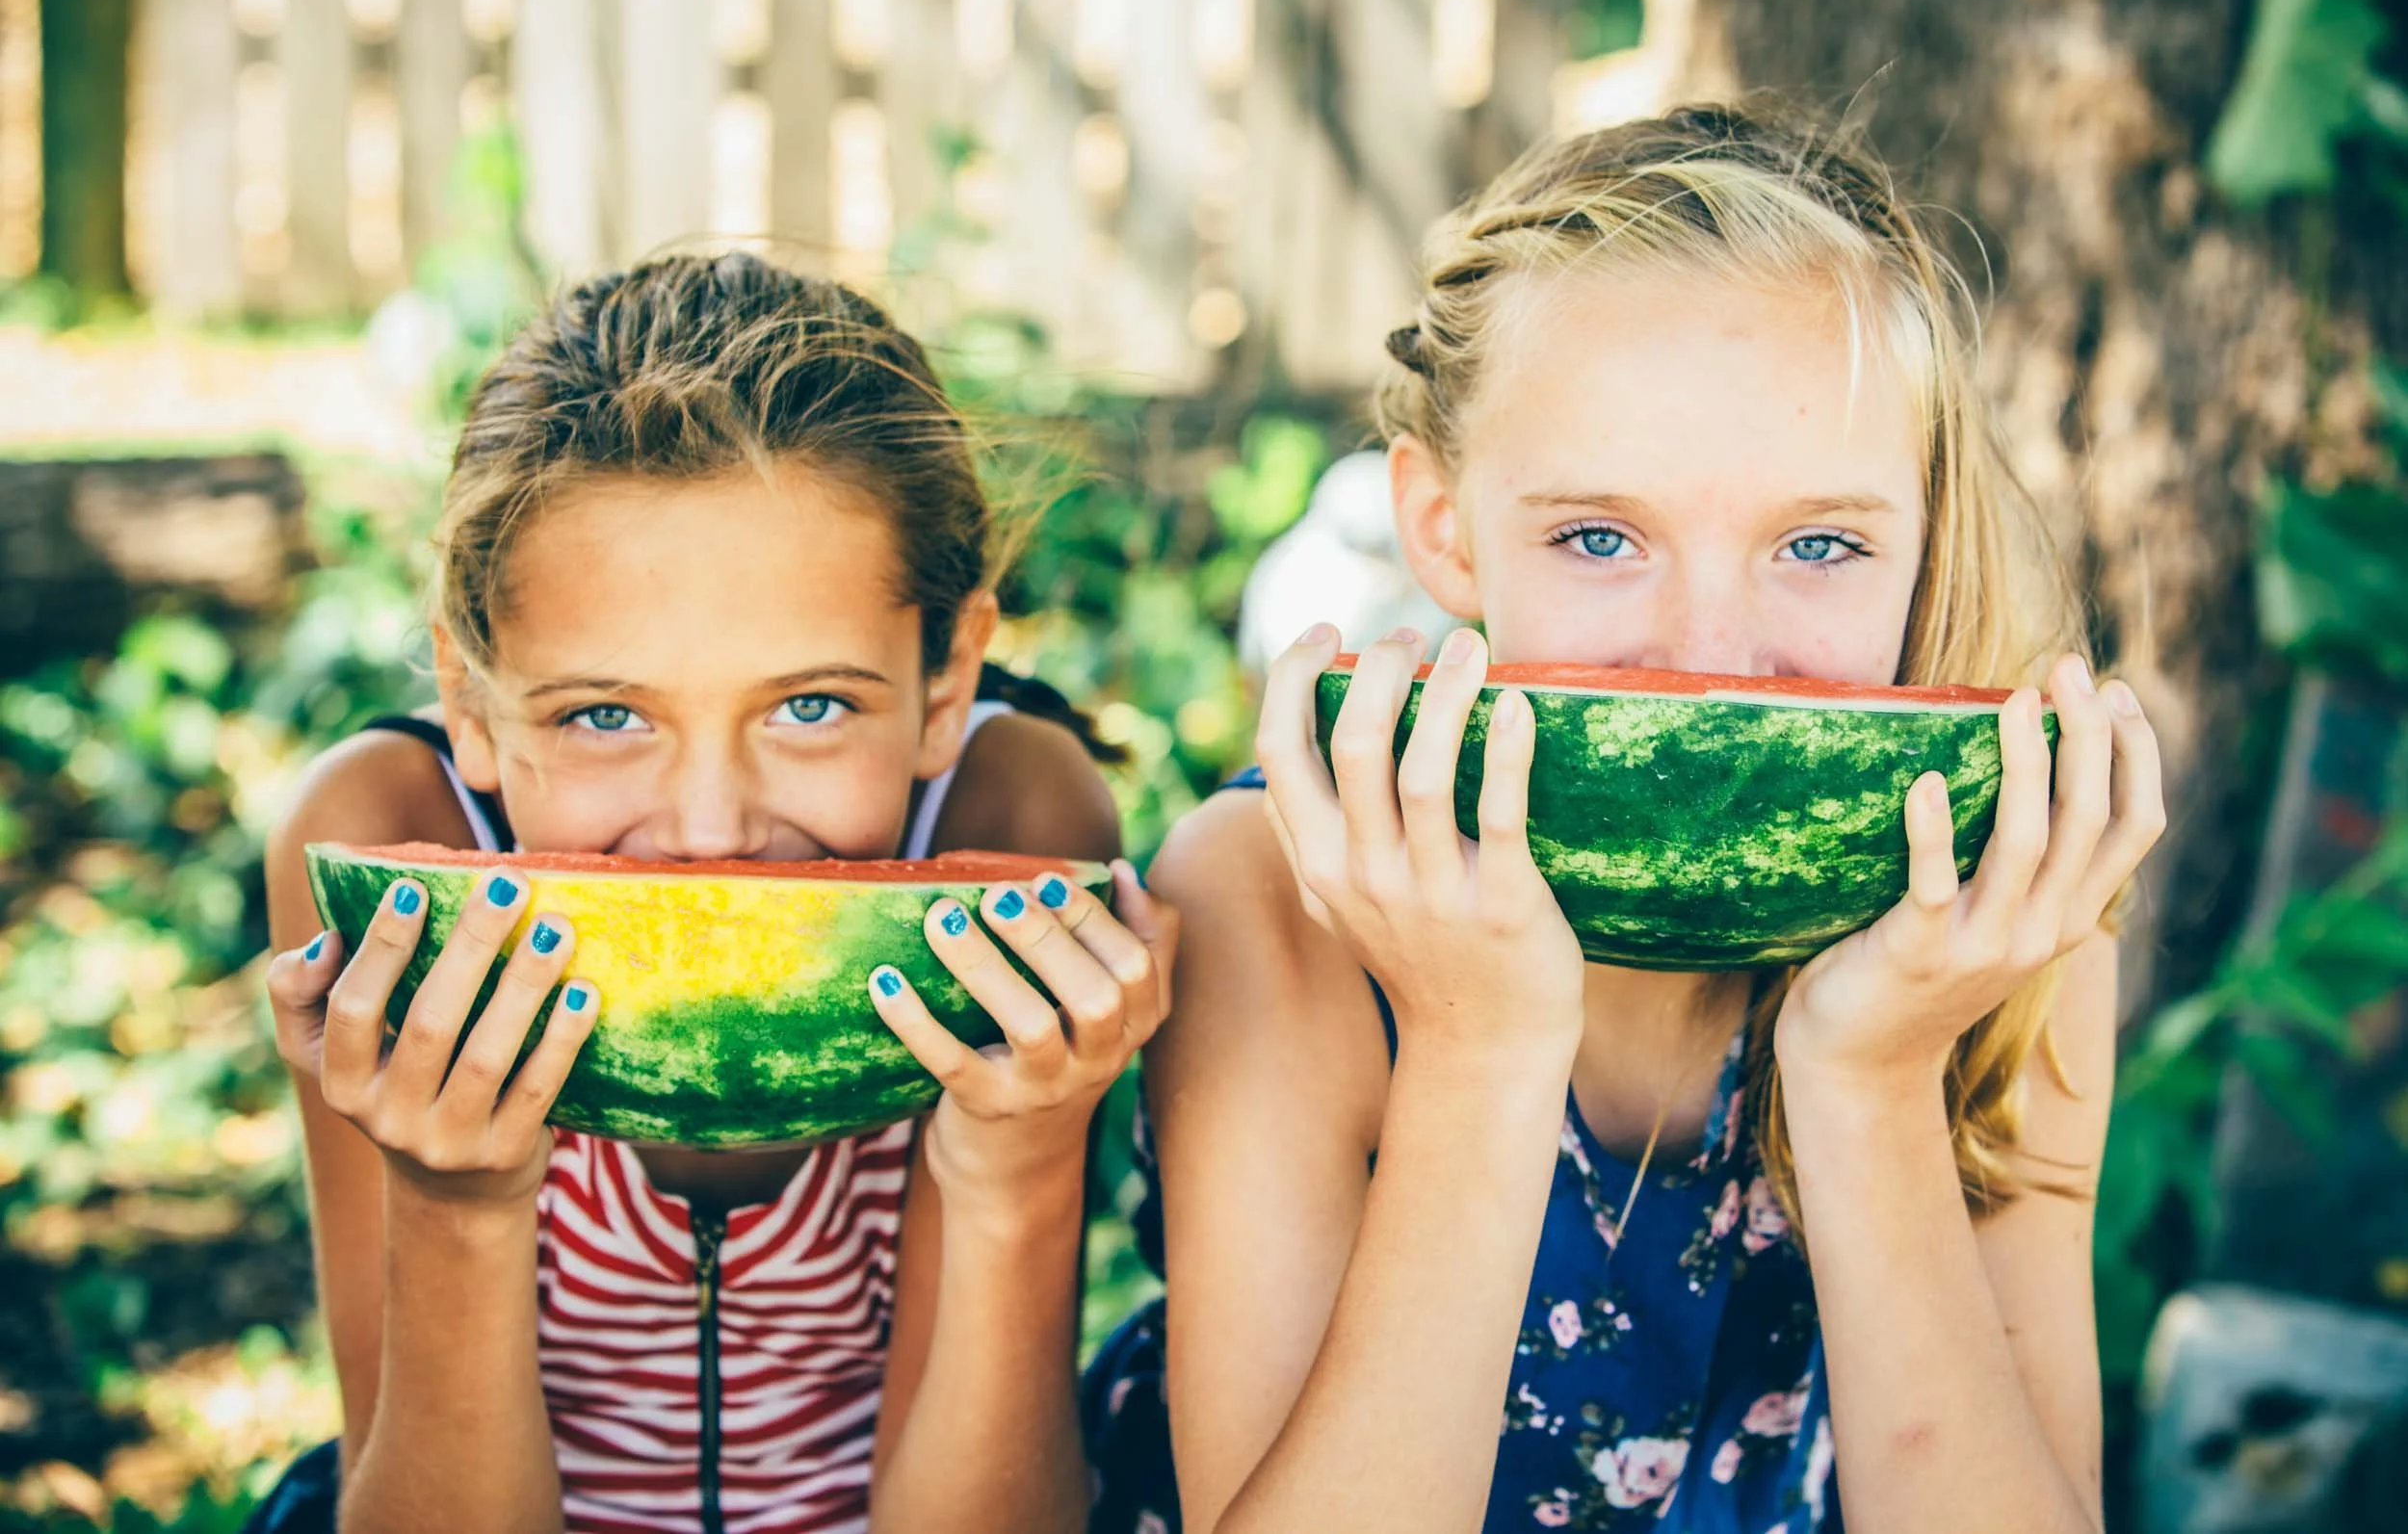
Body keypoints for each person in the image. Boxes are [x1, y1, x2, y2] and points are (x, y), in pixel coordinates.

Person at [1124, 103, 2166, 1532]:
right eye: (1600, 536)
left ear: (1923, 537)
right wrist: (1479, 1043)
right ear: (1442, 528)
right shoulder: (1275, 899)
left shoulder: (2006, 913)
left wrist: (1868, 1082)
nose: (1715, 652)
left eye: (1820, 544)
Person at [250, 253, 1176, 1534]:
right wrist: (456, 1202)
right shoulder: (387, 845)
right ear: (468, 699)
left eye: (809, 706)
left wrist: (1016, 1169)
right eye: (606, 714)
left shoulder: (1010, 818)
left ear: (948, 677)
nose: (708, 832)